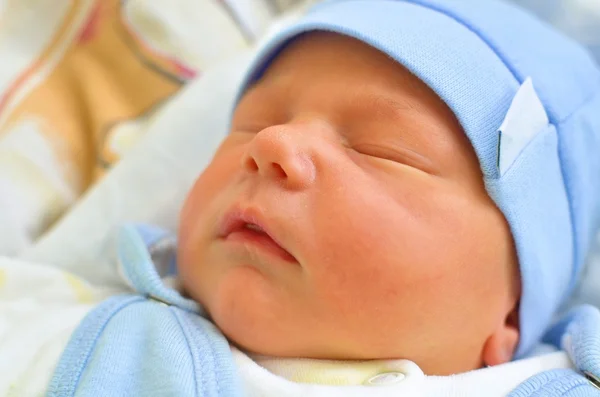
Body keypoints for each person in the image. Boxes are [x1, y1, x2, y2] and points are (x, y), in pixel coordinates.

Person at [5, 0, 600, 395]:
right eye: (251, 122)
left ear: (510, 313)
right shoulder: (77, 337)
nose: (272, 144)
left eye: (383, 149)